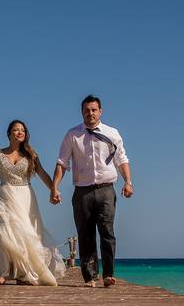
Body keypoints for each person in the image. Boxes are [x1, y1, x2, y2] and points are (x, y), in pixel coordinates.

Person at [51, 95, 133, 287]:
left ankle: (109, 274)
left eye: (94, 110)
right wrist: (55, 187)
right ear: (82, 112)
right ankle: (90, 277)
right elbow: (62, 162)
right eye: (87, 110)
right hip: (82, 193)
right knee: (85, 234)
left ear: (100, 111)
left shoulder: (112, 133)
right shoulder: (72, 135)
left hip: (106, 190)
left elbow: (122, 159)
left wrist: (128, 182)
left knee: (107, 232)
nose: (90, 113)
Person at [0, 120, 65, 286]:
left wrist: (53, 190)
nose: (19, 132)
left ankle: (25, 273)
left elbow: (42, 174)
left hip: (26, 197)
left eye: (22, 130)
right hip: (4, 195)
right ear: (9, 134)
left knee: (27, 234)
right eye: (15, 130)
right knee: (5, 233)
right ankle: (5, 273)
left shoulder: (31, 155)